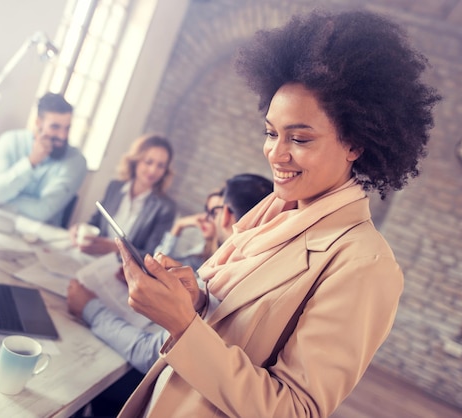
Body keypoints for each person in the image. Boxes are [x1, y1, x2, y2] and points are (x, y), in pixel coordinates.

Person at [115, 10, 441, 418]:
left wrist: (183, 326)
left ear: (356, 144)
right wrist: (196, 299)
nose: (275, 152)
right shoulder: (271, 213)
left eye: (299, 138)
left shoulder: (365, 265)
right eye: (271, 132)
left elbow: (295, 410)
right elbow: (238, 330)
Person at [66, 173, 272, 416]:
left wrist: (89, 308)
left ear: (225, 214)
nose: (208, 219)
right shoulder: (251, 272)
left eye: (213, 211)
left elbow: (149, 353)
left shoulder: (218, 280)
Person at [0, 92, 87, 226]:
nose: (62, 136)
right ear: (38, 122)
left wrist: (4, 198)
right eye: (55, 127)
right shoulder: (9, 141)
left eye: (67, 128)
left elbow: (43, 211)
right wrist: (31, 162)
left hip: (42, 236)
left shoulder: (76, 161)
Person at [70, 134, 176, 256]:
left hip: (124, 271)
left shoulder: (166, 208)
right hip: (94, 258)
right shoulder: (115, 187)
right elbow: (96, 223)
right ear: (136, 160)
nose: (153, 170)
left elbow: (153, 254)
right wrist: (79, 230)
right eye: (148, 162)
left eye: (161, 166)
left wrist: (117, 248)